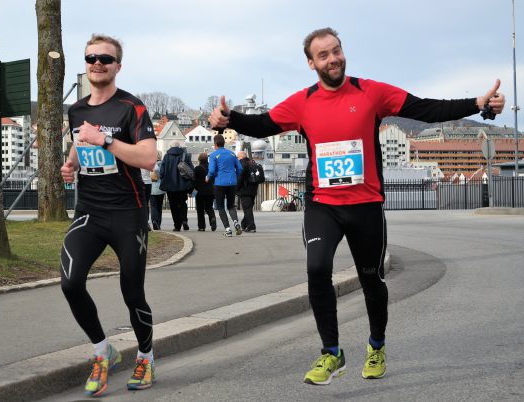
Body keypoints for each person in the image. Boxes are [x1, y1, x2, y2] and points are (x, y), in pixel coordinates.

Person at [209, 27, 505, 385]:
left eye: (337, 51)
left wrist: (478, 104)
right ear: (311, 63)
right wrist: (230, 118)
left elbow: (425, 108)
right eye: (324, 55)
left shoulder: (371, 92)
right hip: (323, 204)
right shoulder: (303, 102)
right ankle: (331, 353)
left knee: (371, 279)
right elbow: (262, 124)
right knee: (317, 269)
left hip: (366, 206)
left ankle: (376, 345)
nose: (333, 58)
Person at [60, 34, 158, 395]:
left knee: (132, 292)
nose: (97, 63)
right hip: (90, 211)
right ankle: (103, 351)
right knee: (70, 282)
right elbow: (77, 140)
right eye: (91, 58)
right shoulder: (77, 110)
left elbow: (149, 158)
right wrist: (70, 165)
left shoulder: (131, 108)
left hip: (128, 214)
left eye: (105, 58)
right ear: (85, 63)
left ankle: (145, 357)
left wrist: (105, 140)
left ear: (118, 65)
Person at [206, 134, 243, 237]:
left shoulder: (213, 155)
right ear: (224, 143)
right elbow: (240, 169)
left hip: (220, 183)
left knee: (220, 206)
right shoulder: (232, 154)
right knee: (231, 205)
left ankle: (228, 229)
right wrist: (234, 177)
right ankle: (235, 222)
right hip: (232, 183)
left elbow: (212, 170)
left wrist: (208, 176)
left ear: (215, 144)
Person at [159, 141, 193, 231]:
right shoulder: (185, 156)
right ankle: (184, 220)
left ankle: (177, 225)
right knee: (182, 203)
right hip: (183, 185)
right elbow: (191, 170)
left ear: (170, 146)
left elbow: (161, 172)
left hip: (170, 185)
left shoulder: (166, 156)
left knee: (173, 205)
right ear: (179, 147)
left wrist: (162, 178)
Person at [236, 150, 259, 233]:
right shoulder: (253, 163)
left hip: (245, 190)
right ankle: (244, 224)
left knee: (247, 209)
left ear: (241, 157)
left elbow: (240, 177)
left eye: (237, 157)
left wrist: (236, 188)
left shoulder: (242, 164)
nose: (237, 159)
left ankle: (251, 226)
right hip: (253, 190)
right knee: (248, 208)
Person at [194, 152, 217, 231]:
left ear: (199, 159)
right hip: (210, 191)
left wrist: (194, 189)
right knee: (209, 207)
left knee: (200, 209)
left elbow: (194, 181)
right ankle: (212, 218)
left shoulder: (197, 168)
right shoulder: (211, 168)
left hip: (200, 192)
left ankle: (201, 226)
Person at [150, 151, 165, 230]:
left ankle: (154, 221)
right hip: (161, 188)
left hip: (152, 188)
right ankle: (158, 223)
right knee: (159, 207)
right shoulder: (163, 164)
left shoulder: (152, 164)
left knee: (153, 206)